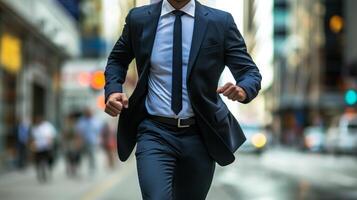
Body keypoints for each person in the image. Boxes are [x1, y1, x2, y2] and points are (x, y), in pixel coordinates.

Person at [104, 0, 262, 199]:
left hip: (200, 134)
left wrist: (243, 89)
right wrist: (113, 90)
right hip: (154, 131)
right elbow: (117, 59)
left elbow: (249, 71)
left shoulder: (220, 22)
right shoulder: (139, 19)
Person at [30, 115, 57, 183]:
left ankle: (49, 170)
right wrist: (33, 145)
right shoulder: (34, 128)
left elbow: (52, 135)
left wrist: (49, 140)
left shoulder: (47, 126)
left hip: (46, 146)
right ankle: (40, 173)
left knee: (49, 159)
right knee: (38, 161)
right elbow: (33, 138)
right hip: (38, 147)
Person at [76, 108, 101, 175]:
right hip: (83, 141)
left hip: (92, 141)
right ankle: (80, 169)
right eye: (87, 112)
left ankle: (92, 169)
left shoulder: (95, 121)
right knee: (81, 156)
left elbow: (98, 131)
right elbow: (78, 132)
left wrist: (98, 141)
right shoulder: (81, 121)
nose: (89, 114)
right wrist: (79, 141)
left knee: (92, 155)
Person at [63, 113, 82, 177]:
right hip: (68, 143)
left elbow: (78, 135)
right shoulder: (66, 126)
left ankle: (73, 168)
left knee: (73, 156)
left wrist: (78, 142)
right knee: (68, 156)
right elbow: (64, 135)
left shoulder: (76, 126)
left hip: (73, 142)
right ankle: (69, 168)